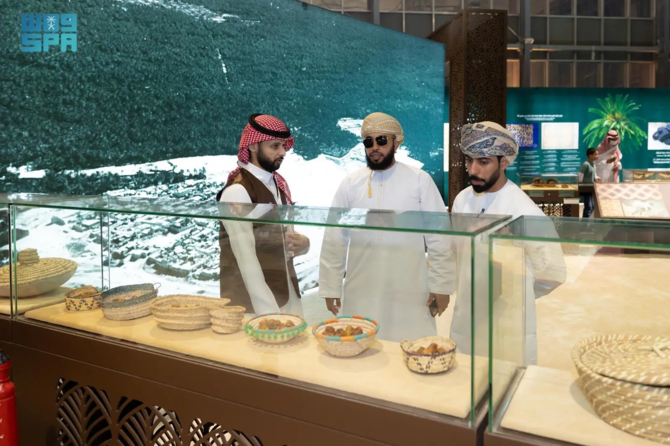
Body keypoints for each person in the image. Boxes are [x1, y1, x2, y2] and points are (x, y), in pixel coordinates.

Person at [318, 112, 454, 343]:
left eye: (381, 140)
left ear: (396, 143)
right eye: (368, 141)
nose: (374, 147)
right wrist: (331, 286)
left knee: (411, 345)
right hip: (361, 284)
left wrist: (441, 285)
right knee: (361, 345)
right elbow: (334, 238)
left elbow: (439, 236)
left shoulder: (419, 180)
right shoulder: (350, 184)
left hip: (409, 285)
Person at [450, 121, 566, 365]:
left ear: (503, 163)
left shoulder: (523, 210)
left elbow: (552, 273)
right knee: (465, 372)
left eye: (483, 162)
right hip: (467, 307)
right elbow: (456, 252)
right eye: (469, 160)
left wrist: (517, 293)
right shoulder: (462, 200)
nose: (473, 170)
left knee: (508, 373)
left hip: (507, 313)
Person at [216, 114, 310, 316]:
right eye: (275, 146)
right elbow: (246, 260)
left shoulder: (278, 183)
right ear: (252, 146)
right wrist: (269, 316)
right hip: (253, 307)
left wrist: (302, 245)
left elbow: (282, 237)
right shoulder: (238, 191)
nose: (283, 152)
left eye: (283, 146)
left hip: (285, 293)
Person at [578, 147, 602, 218]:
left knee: (592, 206)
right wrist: (581, 186)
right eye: (595, 154)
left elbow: (593, 174)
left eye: (597, 154)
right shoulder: (585, 164)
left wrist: (597, 178)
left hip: (591, 188)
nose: (597, 156)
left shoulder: (593, 164)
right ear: (590, 155)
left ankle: (589, 221)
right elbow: (580, 176)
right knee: (588, 206)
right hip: (586, 189)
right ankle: (585, 222)